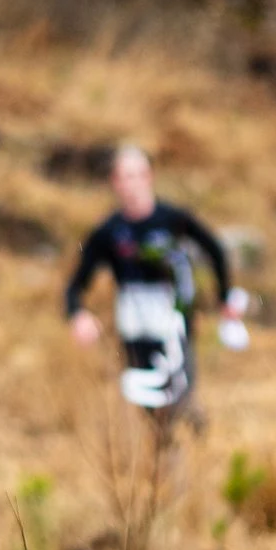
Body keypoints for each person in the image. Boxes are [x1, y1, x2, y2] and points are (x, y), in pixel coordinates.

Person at [64, 146, 246, 417]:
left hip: (173, 320)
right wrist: (77, 314)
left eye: (137, 175)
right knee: (146, 402)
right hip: (135, 323)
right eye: (125, 176)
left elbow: (214, 249)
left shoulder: (173, 219)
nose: (131, 184)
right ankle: (161, 448)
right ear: (114, 181)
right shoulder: (109, 232)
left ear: (149, 177)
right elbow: (76, 284)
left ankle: (188, 427)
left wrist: (224, 297)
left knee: (178, 393)